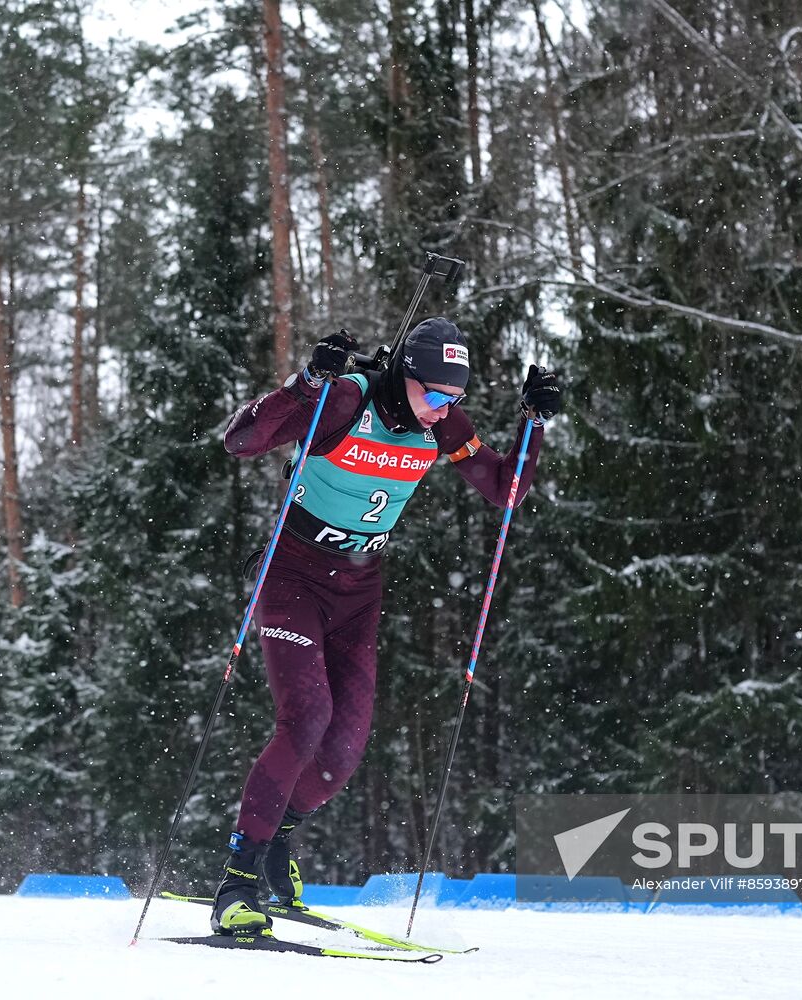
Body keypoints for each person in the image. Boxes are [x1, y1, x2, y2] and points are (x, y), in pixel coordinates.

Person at [211, 317, 561, 935]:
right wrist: (307, 382)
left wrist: (532, 423)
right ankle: (236, 883)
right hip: (293, 571)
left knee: (344, 746)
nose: (443, 408)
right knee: (306, 718)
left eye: (455, 396)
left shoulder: (444, 425)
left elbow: (505, 491)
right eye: (435, 393)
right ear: (405, 375)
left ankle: (276, 844)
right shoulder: (347, 400)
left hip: (358, 586)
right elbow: (241, 440)